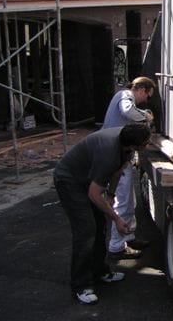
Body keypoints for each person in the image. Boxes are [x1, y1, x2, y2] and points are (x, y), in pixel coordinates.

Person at [53, 123, 152, 305]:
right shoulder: (109, 153)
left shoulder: (125, 146)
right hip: (69, 180)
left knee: (100, 224)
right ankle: (81, 285)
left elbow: (117, 171)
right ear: (134, 145)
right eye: (146, 143)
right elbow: (93, 193)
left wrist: (111, 196)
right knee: (86, 230)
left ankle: (99, 271)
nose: (148, 145)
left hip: (87, 180)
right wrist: (116, 218)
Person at [102, 76, 156, 259]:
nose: (145, 100)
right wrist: (145, 116)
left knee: (130, 200)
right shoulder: (126, 95)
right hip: (114, 153)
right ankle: (117, 246)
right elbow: (127, 111)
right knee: (123, 201)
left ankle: (128, 236)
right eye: (147, 96)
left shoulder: (124, 95)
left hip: (117, 152)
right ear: (142, 89)